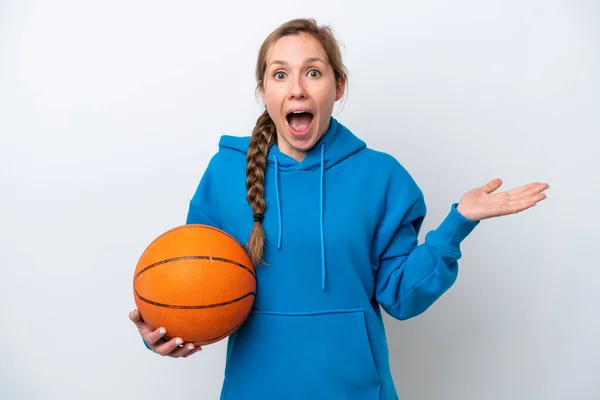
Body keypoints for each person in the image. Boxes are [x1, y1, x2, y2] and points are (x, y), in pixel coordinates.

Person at [129, 18, 549, 400]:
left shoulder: (382, 177)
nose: (297, 88)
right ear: (264, 92)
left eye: (313, 72)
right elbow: (192, 285)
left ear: (338, 86)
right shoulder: (224, 173)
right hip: (254, 390)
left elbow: (402, 297)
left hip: (358, 391)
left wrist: (459, 223)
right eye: (280, 75)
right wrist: (162, 332)